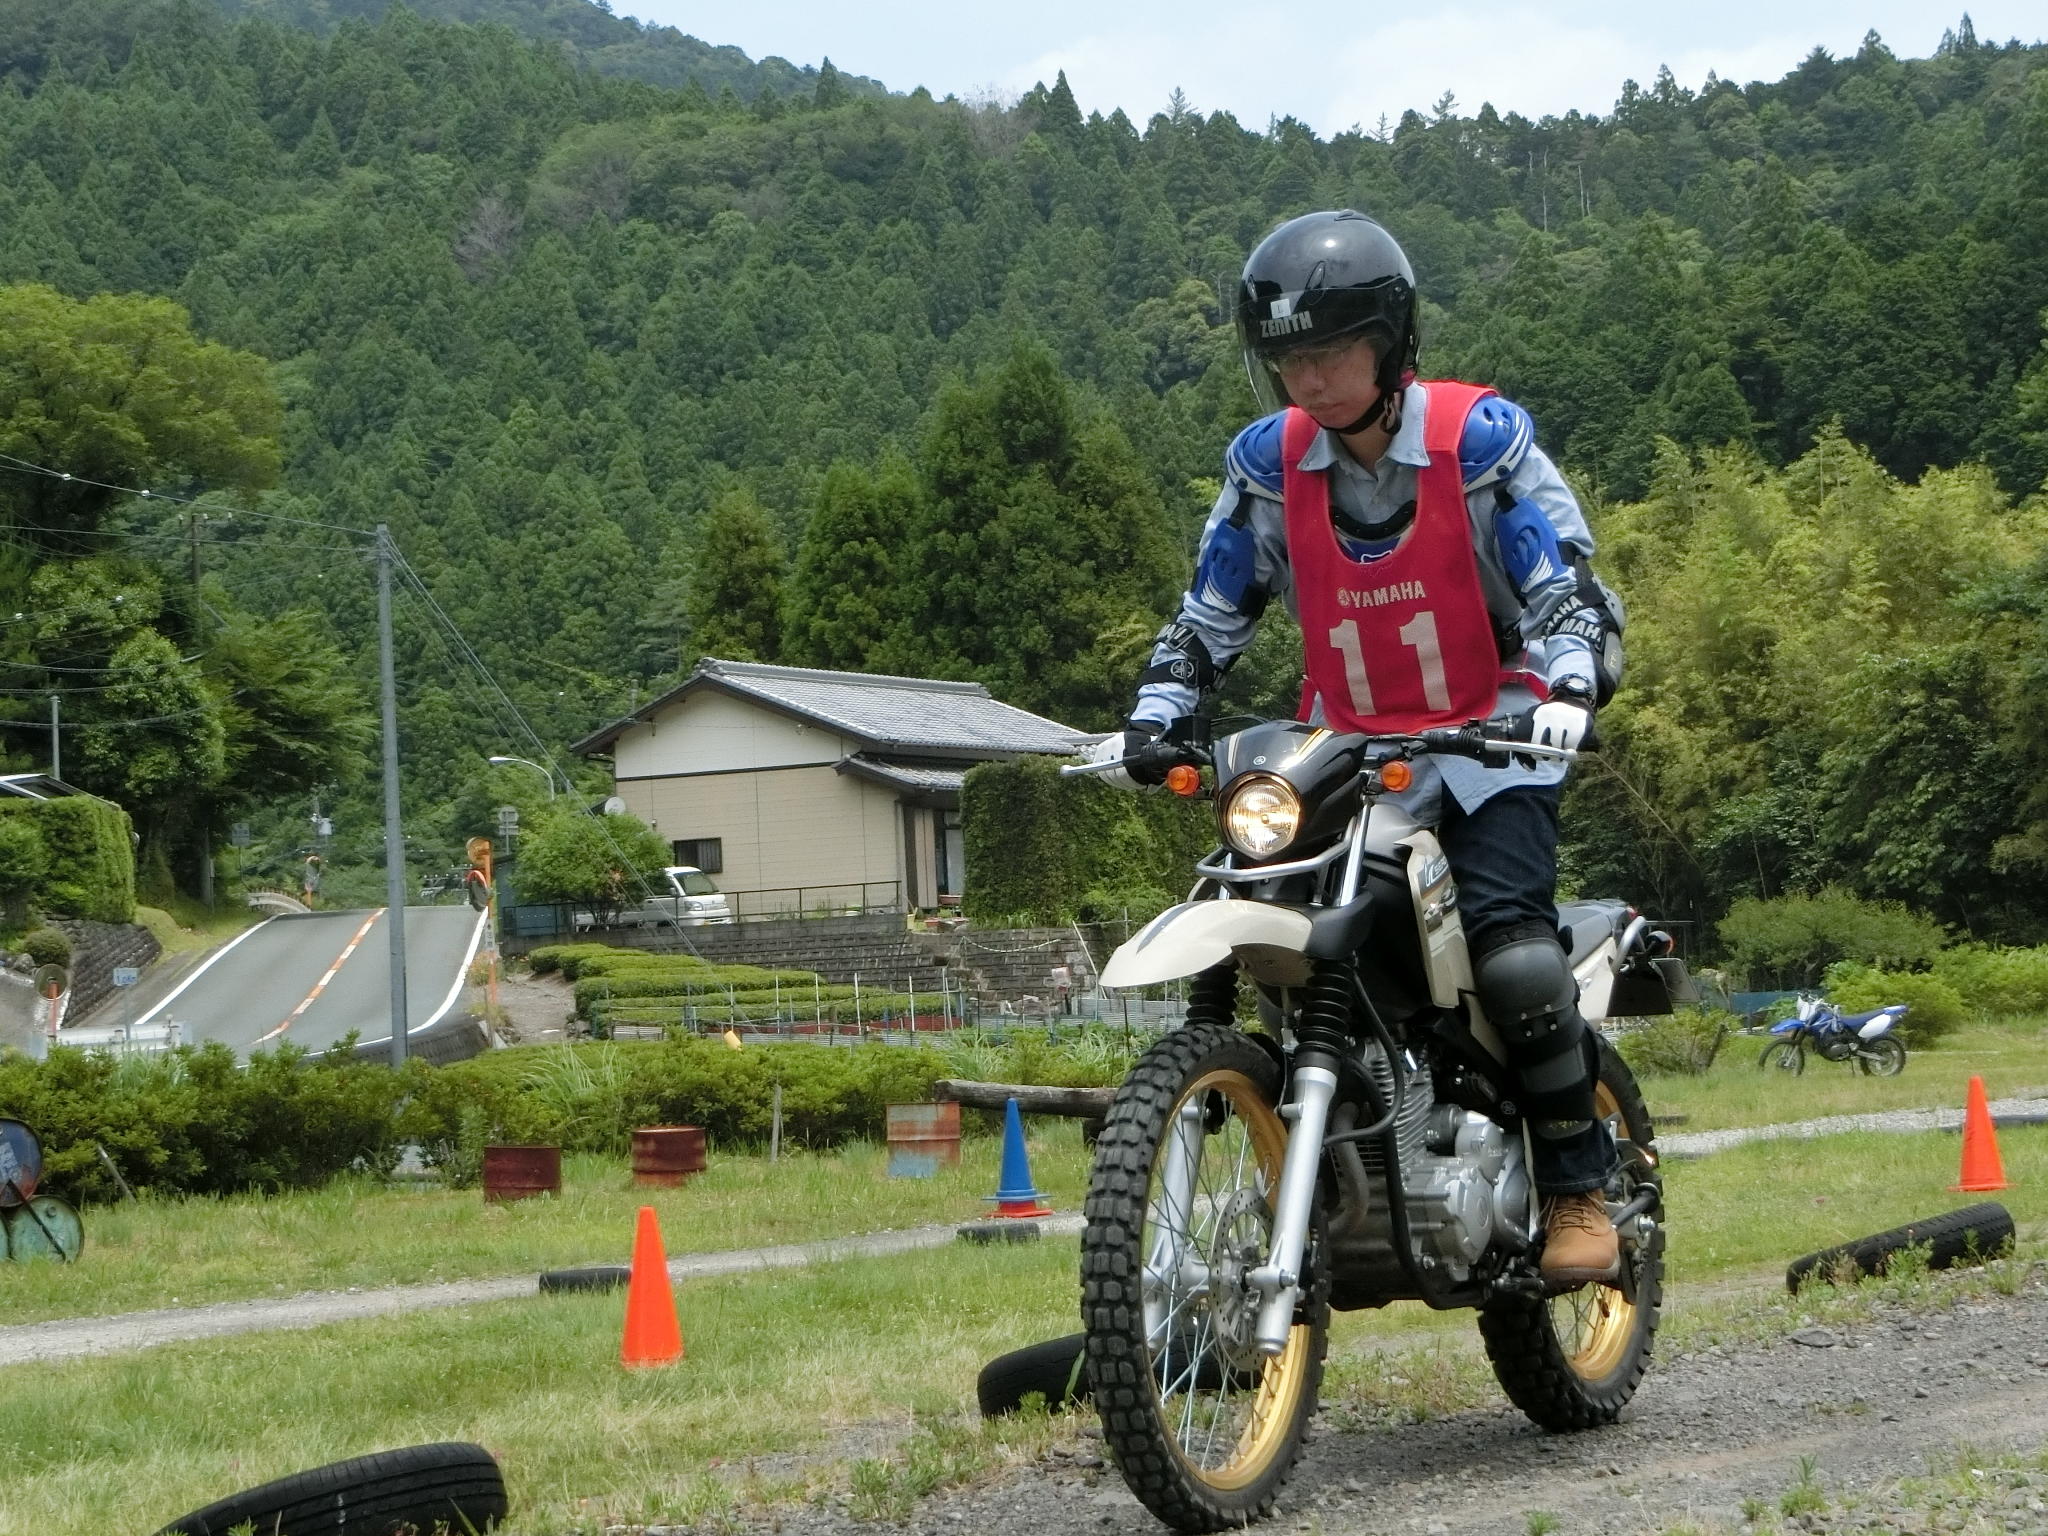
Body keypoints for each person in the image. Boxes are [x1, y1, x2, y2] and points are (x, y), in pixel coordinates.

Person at [1089, 209, 1628, 1285]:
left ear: (1389, 344)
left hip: (1491, 737)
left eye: (1332, 350)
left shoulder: (1480, 444)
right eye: (1288, 357)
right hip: (1345, 750)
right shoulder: (1265, 467)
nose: (1311, 377)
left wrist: (1569, 685)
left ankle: (1576, 1189)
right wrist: (1153, 714)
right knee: (1277, 914)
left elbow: (1560, 581)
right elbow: (1207, 616)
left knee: (1513, 955)